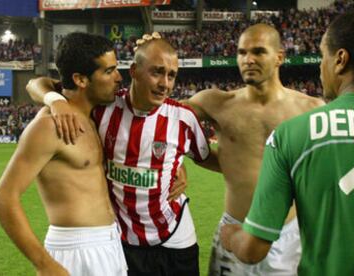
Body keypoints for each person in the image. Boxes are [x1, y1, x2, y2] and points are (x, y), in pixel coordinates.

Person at [220, 6, 354, 276]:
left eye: (322, 56)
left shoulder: (292, 134)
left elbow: (252, 250)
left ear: (340, 59)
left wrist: (231, 235)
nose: (320, 66)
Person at [26, 33, 220, 276]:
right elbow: (37, 83)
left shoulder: (183, 119)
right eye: (157, 72)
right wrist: (55, 100)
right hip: (123, 241)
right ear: (134, 71)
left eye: (172, 75)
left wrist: (177, 165)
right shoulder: (103, 106)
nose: (165, 84)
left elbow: (207, 158)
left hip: (175, 238)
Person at [181, 23, 324, 275]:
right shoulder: (216, 103)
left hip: (289, 235)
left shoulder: (310, 109)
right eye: (241, 52)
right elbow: (157, 115)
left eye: (258, 52)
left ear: (279, 57)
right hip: (234, 229)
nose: (248, 59)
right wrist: (179, 162)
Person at [0, 32, 127, 275]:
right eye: (109, 71)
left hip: (110, 243)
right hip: (73, 251)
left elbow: (39, 83)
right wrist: (45, 265)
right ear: (81, 80)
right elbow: (3, 197)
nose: (119, 78)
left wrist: (54, 98)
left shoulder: (95, 116)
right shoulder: (48, 126)